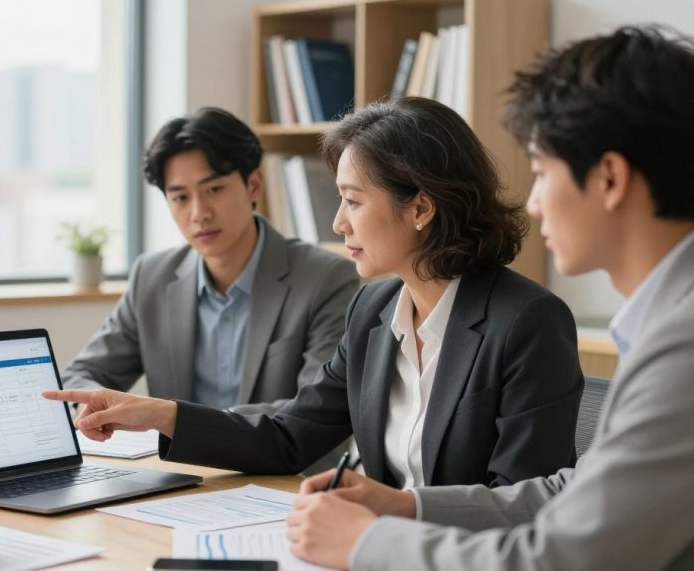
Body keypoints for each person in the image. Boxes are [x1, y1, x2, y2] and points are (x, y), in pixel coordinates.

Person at [282, 26, 694, 570]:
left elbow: (559, 559)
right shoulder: (663, 323)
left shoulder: (681, 347)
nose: (535, 203)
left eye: (542, 173)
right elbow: (568, 492)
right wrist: (407, 505)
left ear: (610, 178)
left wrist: (364, 544)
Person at [45, 97, 584, 490]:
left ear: (421, 208)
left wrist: (392, 516)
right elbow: (288, 437)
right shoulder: (374, 310)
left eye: (352, 201)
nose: (338, 223)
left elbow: (522, 502)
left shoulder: (527, 321)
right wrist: (162, 415)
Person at [60, 107, 358, 417]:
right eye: (180, 198)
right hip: (173, 465)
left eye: (214, 189)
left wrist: (178, 422)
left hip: (275, 465)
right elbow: (79, 377)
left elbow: (316, 412)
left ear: (253, 185)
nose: (199, 213)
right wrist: (91, 406)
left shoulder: (325, 278)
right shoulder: (152, 277)